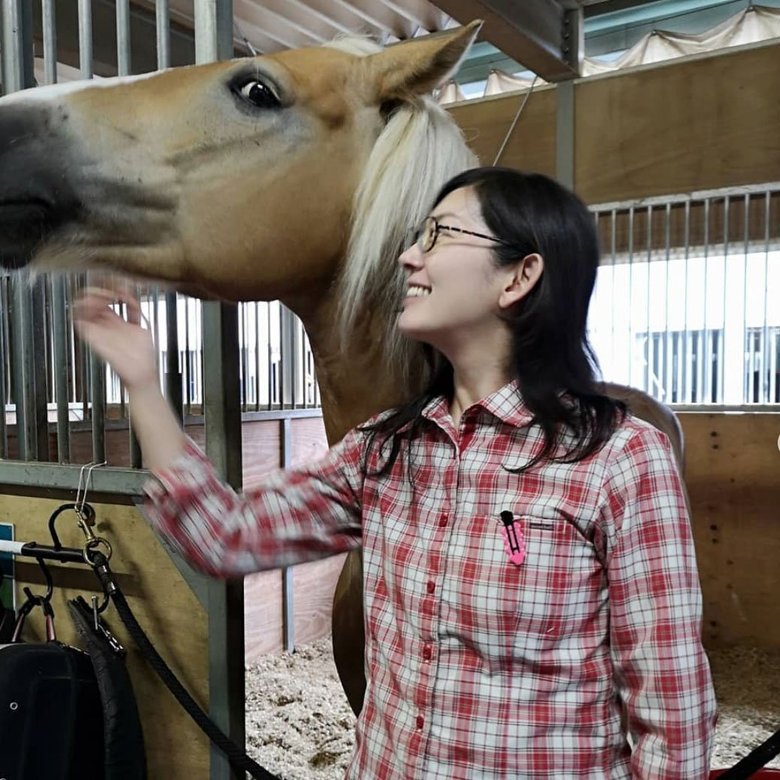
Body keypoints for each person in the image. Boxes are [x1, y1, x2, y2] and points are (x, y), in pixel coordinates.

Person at [74, 167, 717, 779]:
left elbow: (673, 714)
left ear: (518, 277)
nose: (409, 257)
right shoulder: (384, 451)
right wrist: (142, 383)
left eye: (439, 235)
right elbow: (224, 536)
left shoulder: (621, 459)